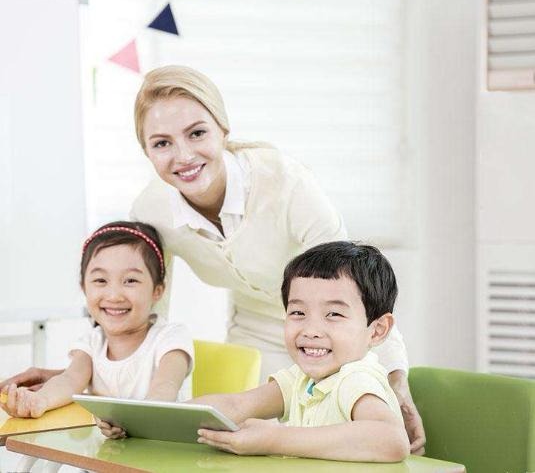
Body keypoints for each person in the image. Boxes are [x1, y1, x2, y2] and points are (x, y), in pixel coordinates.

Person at [0, 66, 425, 454]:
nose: (183, 156)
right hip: (256, 331)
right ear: (146, 151)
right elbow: (145, 317)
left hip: (332, 330)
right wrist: (86, 374)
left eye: (197, 133)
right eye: (162, 143)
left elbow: (354, 294)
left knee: (318, 436)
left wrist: (395, 381)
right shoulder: (152, 210)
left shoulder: (288, 184)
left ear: (223, 128)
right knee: (249, 445)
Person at [189, 241, 409, 462]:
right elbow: (237, 405)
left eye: (333, 314)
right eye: (298, 312)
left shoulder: (356, 379)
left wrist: (275, 439)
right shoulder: (301, 380)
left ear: (377, 330)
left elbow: (392, 440)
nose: (311, 330)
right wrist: (169, 414)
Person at [0, 222, 193, 425]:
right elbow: (69, 380)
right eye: (101, 280)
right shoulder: (91, 343)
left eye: (130, 281)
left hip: (162, 441)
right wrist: (39, 401)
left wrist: (134, 421)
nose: (114, 295)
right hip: (109, 444)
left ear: (157, 291)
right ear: (84, 287)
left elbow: (165, 387)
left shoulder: (171, 338)